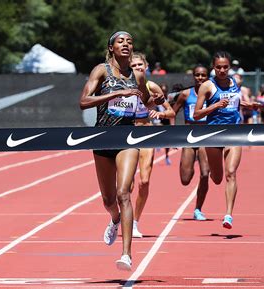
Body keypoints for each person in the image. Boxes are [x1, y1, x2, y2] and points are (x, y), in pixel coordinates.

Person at [79, 31, 164, 270]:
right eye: (121, 41)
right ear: (111, 47)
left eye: (129, 42)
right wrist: (116, 93)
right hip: (102, 138)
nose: (126, 44)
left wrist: (155, 103)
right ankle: (115, 218)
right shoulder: (101, 71)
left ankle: (126, 254)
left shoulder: (137, 75)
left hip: (128, 138)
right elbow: (84, 101)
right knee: (108, 200)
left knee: (123, 192)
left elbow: (143, 105)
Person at [193, 51, 259, 229]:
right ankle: (216, 177)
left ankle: (228, 214)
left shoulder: (235, 82)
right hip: (214, 134)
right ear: (213, 68)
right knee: (217, 178)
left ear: (229, 67)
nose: (222, 70)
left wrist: (248, 105)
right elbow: (197, 114)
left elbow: (234, 103)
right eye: (218, 67)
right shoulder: (207, 86)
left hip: (234, 132)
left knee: (231, 172)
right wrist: (214, 105)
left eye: (225, 67)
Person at [129, 52, 175, 238]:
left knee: (144, 181)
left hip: (147, 135)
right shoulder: (121, 86)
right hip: (126, 135)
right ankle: (121, 218)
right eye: (134, 65)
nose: (138, 68)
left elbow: (171, 112)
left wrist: (160, 114)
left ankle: (134, 222)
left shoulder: (152, 87)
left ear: (146, 67)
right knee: (126, 185)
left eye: (140, 65)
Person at [172, 64, 211, 221]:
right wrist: (173, 132)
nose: (200, 78)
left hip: (206, 137)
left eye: (203, 75)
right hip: (189, 137)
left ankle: (198, 209)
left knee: (205, 173)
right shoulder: (185, 94)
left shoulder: (212, 94)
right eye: (197, 75)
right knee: (185, 179)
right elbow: (172, 113)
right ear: (193, 76)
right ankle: (186, 164)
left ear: (207, 76)